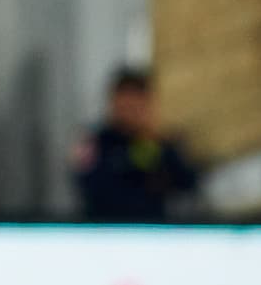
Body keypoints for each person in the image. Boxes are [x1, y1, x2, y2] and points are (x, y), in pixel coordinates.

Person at [71, 66, 199, 222]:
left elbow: (188, 184)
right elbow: (88, 185)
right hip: (104, 231)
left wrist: (157, 144)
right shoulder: (95, 142)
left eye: (135, 106)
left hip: (151, 231)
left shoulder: (161, 143)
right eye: (124, 106)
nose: (129, 112)